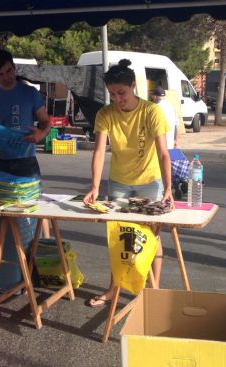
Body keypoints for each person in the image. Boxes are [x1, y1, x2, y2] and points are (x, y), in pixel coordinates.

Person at [83, 59, 174, 307]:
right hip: (120, 181)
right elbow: (99, 152)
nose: (117, 99)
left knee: (151, 236)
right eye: (112, 94)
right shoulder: (105, 113)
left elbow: (164, 153)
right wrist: (94, 186)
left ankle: (153, 289)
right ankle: (114, 288)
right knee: (120, 236)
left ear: (133, 86)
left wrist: (168, 188)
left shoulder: (151, 111)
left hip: (150, 181)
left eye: (121, 93)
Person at [0, 49, 51, 238]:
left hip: (25, 160)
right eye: (0, 74)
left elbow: (46, 122)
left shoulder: (30, 93)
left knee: (35, 207)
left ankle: (45, 248)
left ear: (14, 68)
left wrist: (41, 135)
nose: (6, 77)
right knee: (0, 210)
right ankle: (8, 252)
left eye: (9, 71)